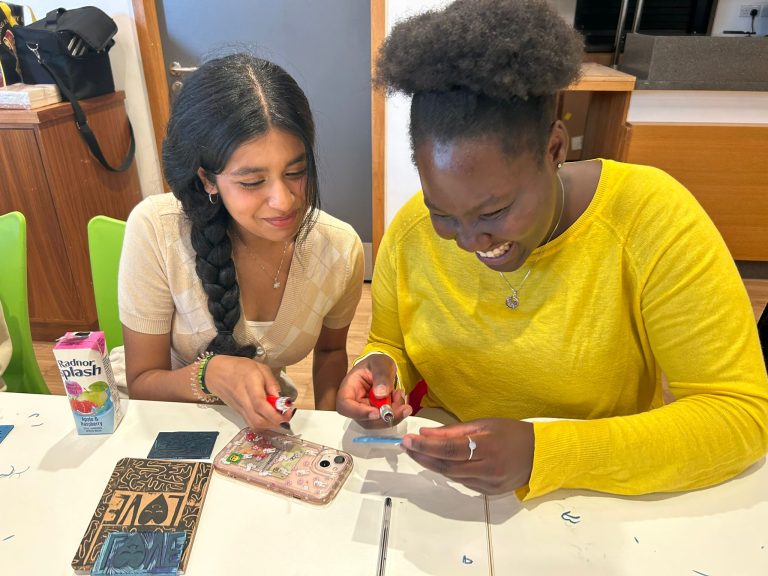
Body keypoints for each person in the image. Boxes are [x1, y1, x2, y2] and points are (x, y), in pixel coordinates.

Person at [337, 0, 768, 500]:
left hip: (596, 498)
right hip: (442, 488)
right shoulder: (412, 229)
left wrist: (546, 452)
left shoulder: (652, 218)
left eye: (495, 212)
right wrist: (380, 368)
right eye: (444, 213)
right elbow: (391, 341)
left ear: (556, 148)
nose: (471, 241)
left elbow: (739, 415)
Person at [119, 53, 364, 429]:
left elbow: (330, 351)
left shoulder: (339, 249)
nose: (284, 200)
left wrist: (330, 432)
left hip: (260, 427)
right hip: (161, 421)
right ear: (207, 179)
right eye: (252, 182)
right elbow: (141, 383)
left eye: (296, 172)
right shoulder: (157, 229)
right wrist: (209, 374)